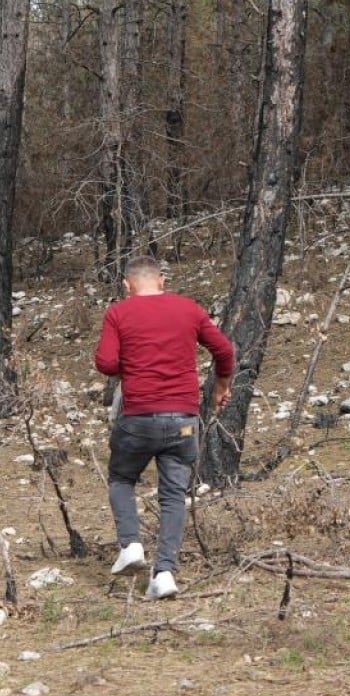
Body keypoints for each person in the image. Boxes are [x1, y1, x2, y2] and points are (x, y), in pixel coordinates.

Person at [93, 255, 234, 600]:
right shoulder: (188, 309)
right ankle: (165, 573)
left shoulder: (118, 313)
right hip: (184, 421)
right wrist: (220, 387)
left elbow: (106, 364)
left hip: (139, 418)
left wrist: (134, 359)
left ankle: (131, 546)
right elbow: (224, 350)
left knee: (122, 479)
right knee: (173, 496)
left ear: (127, 286)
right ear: (161, 281)